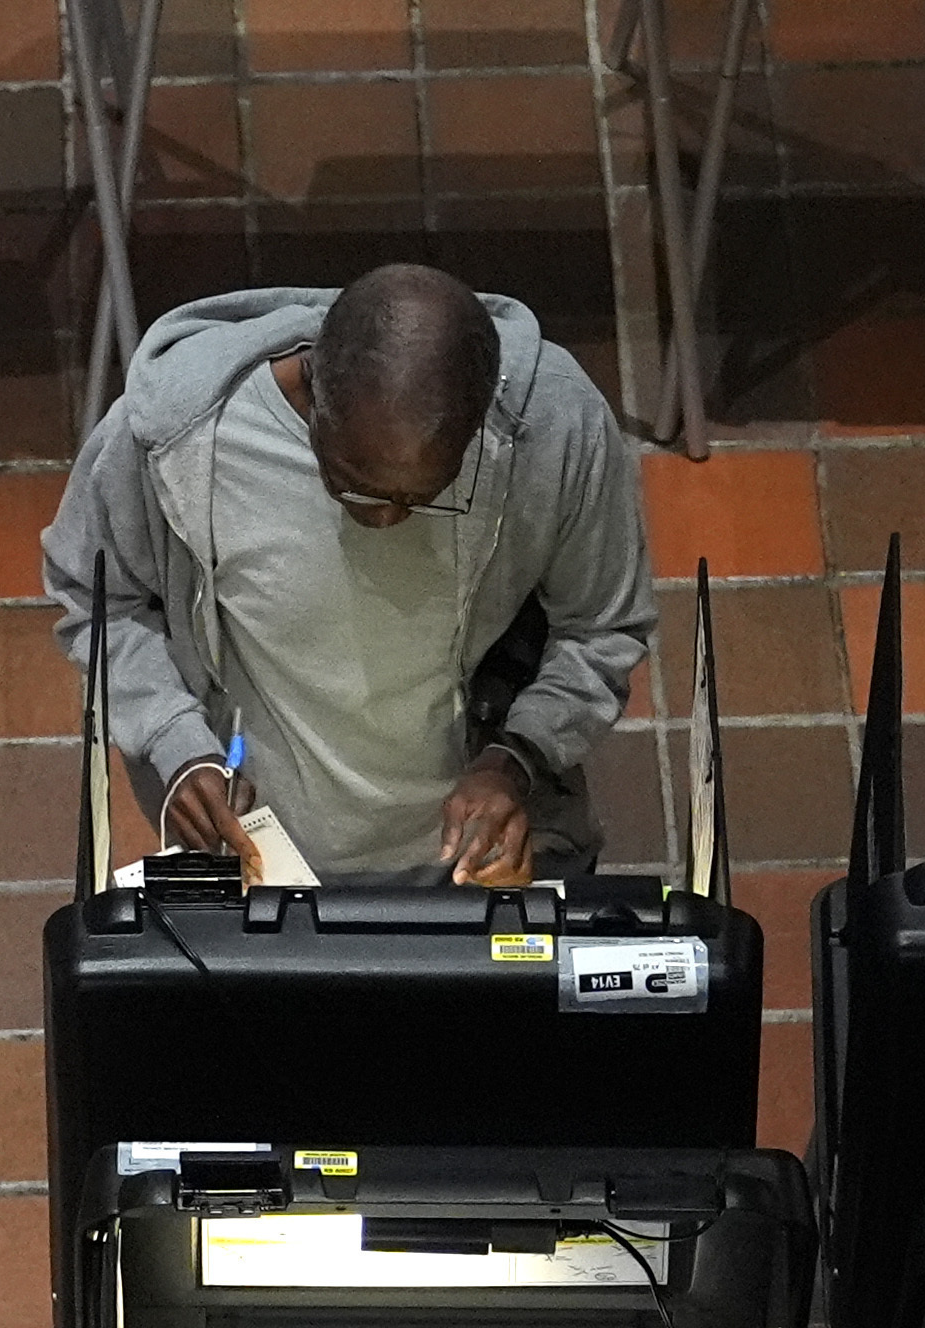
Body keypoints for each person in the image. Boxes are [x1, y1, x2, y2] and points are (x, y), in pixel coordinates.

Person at [43, 265, 650, 886]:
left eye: (424, 497)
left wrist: (515, 758)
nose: (386, 520)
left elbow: (602, 627)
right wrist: (177, 744)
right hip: (266, 860)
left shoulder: (553, 427)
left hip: (478, 859)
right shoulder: (178, 435)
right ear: (311, 395)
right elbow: (98, 602)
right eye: (353, 485)